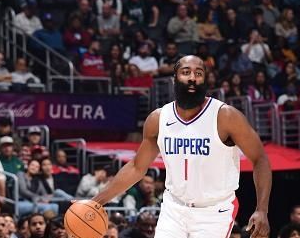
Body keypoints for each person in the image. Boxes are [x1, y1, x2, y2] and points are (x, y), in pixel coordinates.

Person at [88, 55, 272, 238]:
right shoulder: (158, 119)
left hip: (214, 212)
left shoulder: (226, 116)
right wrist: (95, 202)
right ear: (175, 78)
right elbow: (137, 167)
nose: (192, 77)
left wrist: (262, 209)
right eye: (186, 72)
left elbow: (260, 159)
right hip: (173, 208)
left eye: (198, 73)